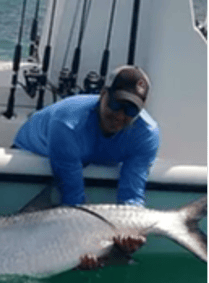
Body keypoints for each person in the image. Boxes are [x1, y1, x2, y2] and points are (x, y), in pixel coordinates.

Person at [13, 65, 160, 268]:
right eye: (116, 104)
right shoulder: (68, 123)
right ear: (103, 94)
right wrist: (82, 247)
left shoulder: (147, 134)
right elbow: (73, 200)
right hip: (34, 150)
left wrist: (131, 234)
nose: (120, 115)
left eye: (131, 109)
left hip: (82, 156)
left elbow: (131, 196)